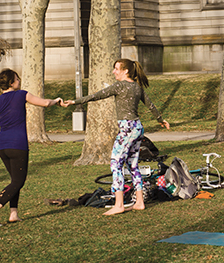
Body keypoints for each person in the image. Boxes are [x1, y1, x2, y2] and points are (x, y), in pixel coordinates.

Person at [61, 59, 170, 215]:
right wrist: (161, 120)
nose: (114, 72)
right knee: (132, 166)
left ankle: (119, 204)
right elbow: (151, 105)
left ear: (125, 71)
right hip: (137, 128)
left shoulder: (120, 86)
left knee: (115, 164)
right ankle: (139, 202)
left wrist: (74, 102)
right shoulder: (137, 87)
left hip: (127, 129)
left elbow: (97, 96)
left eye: (116, 69)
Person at [0, 69, 62, 226]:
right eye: (17, 79)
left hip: (2, 147)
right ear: (11, 83)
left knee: (14, 180)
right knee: (18, 182)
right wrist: (57, 100)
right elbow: (45, 103)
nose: (19, 81)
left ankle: (13, 213)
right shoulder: (21, 95)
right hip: (18, 145)